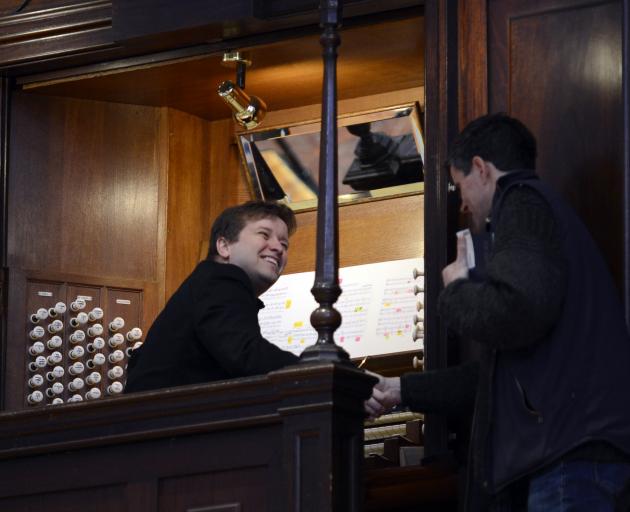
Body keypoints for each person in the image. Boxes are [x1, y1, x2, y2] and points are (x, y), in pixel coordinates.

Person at [365, 113, 630, 511]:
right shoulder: (534, 208)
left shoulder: (521, 200)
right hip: (572, 451)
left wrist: (455, 289)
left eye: (459, 187)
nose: (464, 202)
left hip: (567, 457)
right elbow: (498, 376)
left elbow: (516, 312)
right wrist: (399, 390)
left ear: (480, 169)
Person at [124, 200, 300, 393]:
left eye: (284, 243)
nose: (278, 248)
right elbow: (245, 354)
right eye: (264, 234)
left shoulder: (211, 284)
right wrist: (317, 369)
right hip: (165, 418)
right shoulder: (221, 280)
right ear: (224, 246)